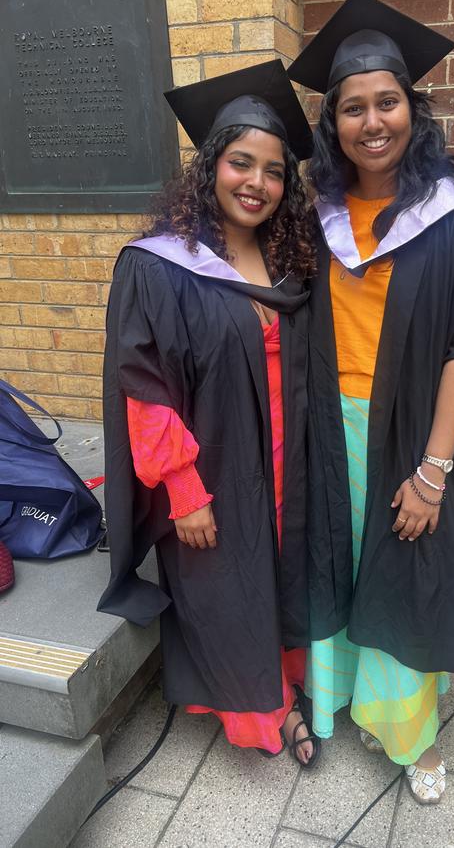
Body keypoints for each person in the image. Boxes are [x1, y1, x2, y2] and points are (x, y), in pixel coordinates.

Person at [288, 0, 454, 802]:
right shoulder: (321, 214)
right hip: (331, 425)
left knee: (404, 569)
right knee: (340, 561)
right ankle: (340, 699)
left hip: (407, 431)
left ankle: (411, 733)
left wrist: (436, 468)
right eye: (354, 108)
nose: (373, 122)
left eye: (388, 103)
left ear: (414, 108)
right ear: (334, 123)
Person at [98, 60, 320, 767]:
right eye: (240, 163)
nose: (257, 182)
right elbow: (144, 385)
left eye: (274, 171)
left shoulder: (291, 259)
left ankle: (286, 680)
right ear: (211, 167)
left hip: (285, 460)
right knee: (228, 583)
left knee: (277, 571)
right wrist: (183, 488)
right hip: (212, 463)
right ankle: (264, 715)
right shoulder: (160, 264)